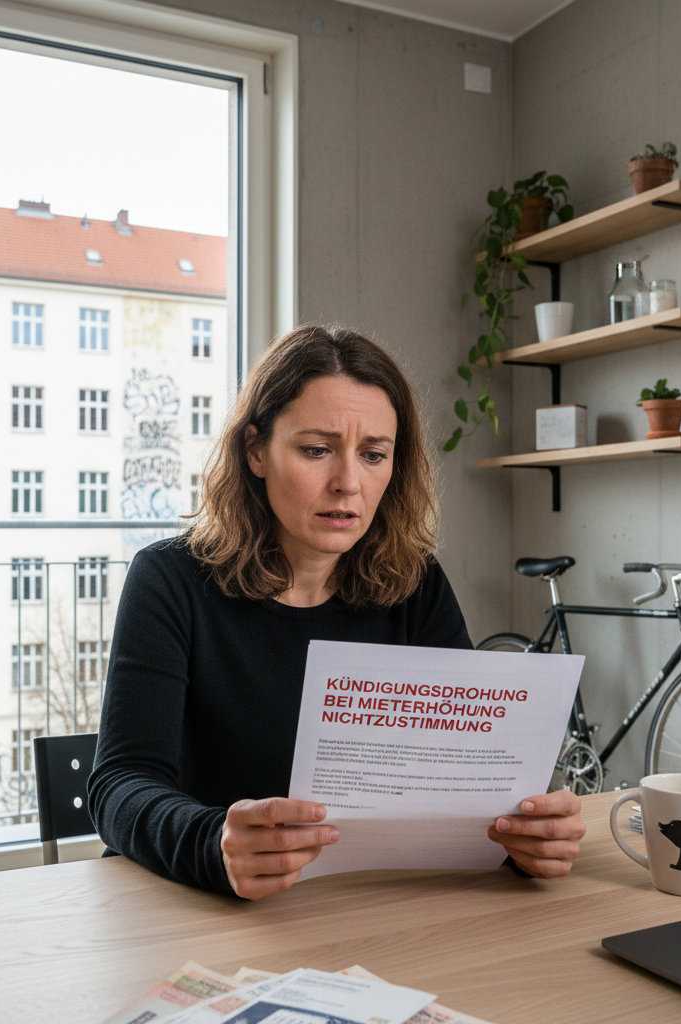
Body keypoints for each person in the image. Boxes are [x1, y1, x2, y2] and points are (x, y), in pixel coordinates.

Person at [88, 325, 585, 899]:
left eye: (374, 454)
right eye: (316, 450)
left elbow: (466, 784)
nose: (348, 482)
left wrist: (525, 834)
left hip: (364, 905)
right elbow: (120, 785)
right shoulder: (168, 580)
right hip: (201, 908)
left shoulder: (416, 584)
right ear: (255, 451)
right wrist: (212, 842)